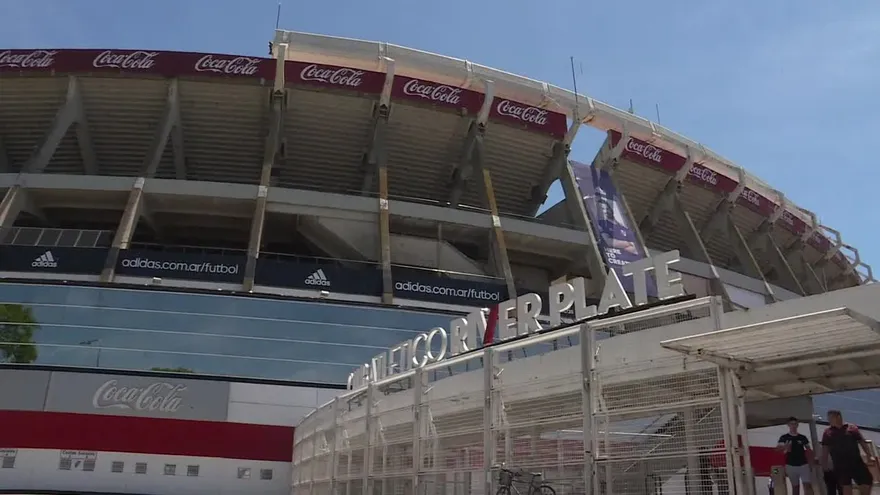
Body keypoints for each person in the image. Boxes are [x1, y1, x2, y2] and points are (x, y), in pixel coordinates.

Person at [820, 410, 875, 495]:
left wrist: (869, 455)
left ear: (838, 417)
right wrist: (824, 464)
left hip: (856, 462)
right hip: (840, 465)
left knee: (867, 482)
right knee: (846, 486)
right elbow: (825, 448)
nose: (829, 421)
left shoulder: (851, 428)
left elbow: (862, 442)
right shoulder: (827, 432)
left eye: (831, 418)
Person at [777, 417, 814, 495]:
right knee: (795, 487)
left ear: (797, 425)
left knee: (807, 486)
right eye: (791, 424)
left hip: (803, 465)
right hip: (791, 465)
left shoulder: (802, 437)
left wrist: (811, 463)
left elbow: (809, 450)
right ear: (788, 425)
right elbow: (777, 449)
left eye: (795, 424)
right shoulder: (784, 437)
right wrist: (785, 447)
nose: (793, 426)